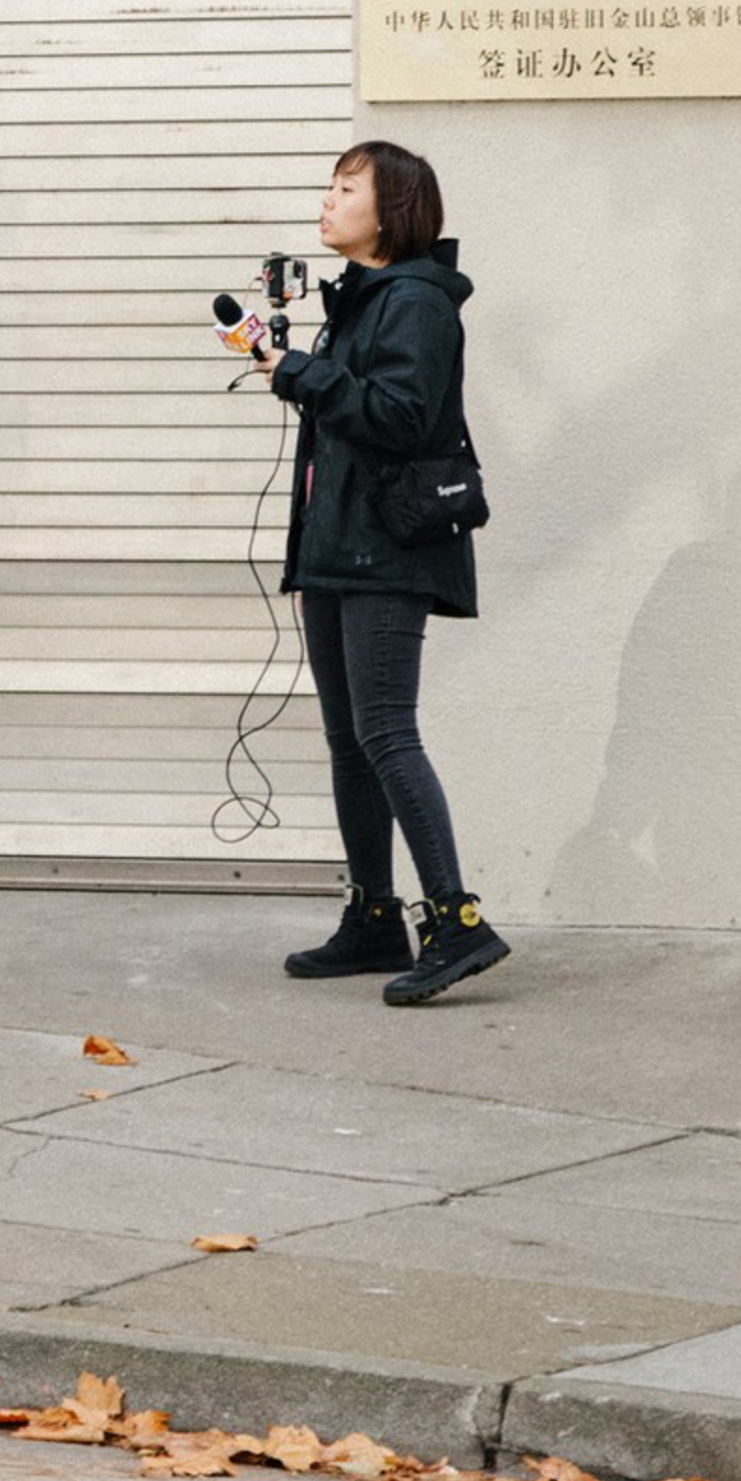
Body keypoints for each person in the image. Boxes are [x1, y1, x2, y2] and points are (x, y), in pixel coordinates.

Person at [250, 139, 508, 1005]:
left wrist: (302, 375)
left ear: (390, 210)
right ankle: (373, 915)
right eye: (328, 185)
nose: (326, 202)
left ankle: (457, 921)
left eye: (345, 188)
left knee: (387, 731)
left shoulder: (417, 302)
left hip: (388, 549)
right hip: (337, 547)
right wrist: (304, 371)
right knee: (348, 741)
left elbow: (400, 415)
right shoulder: (360, 301)